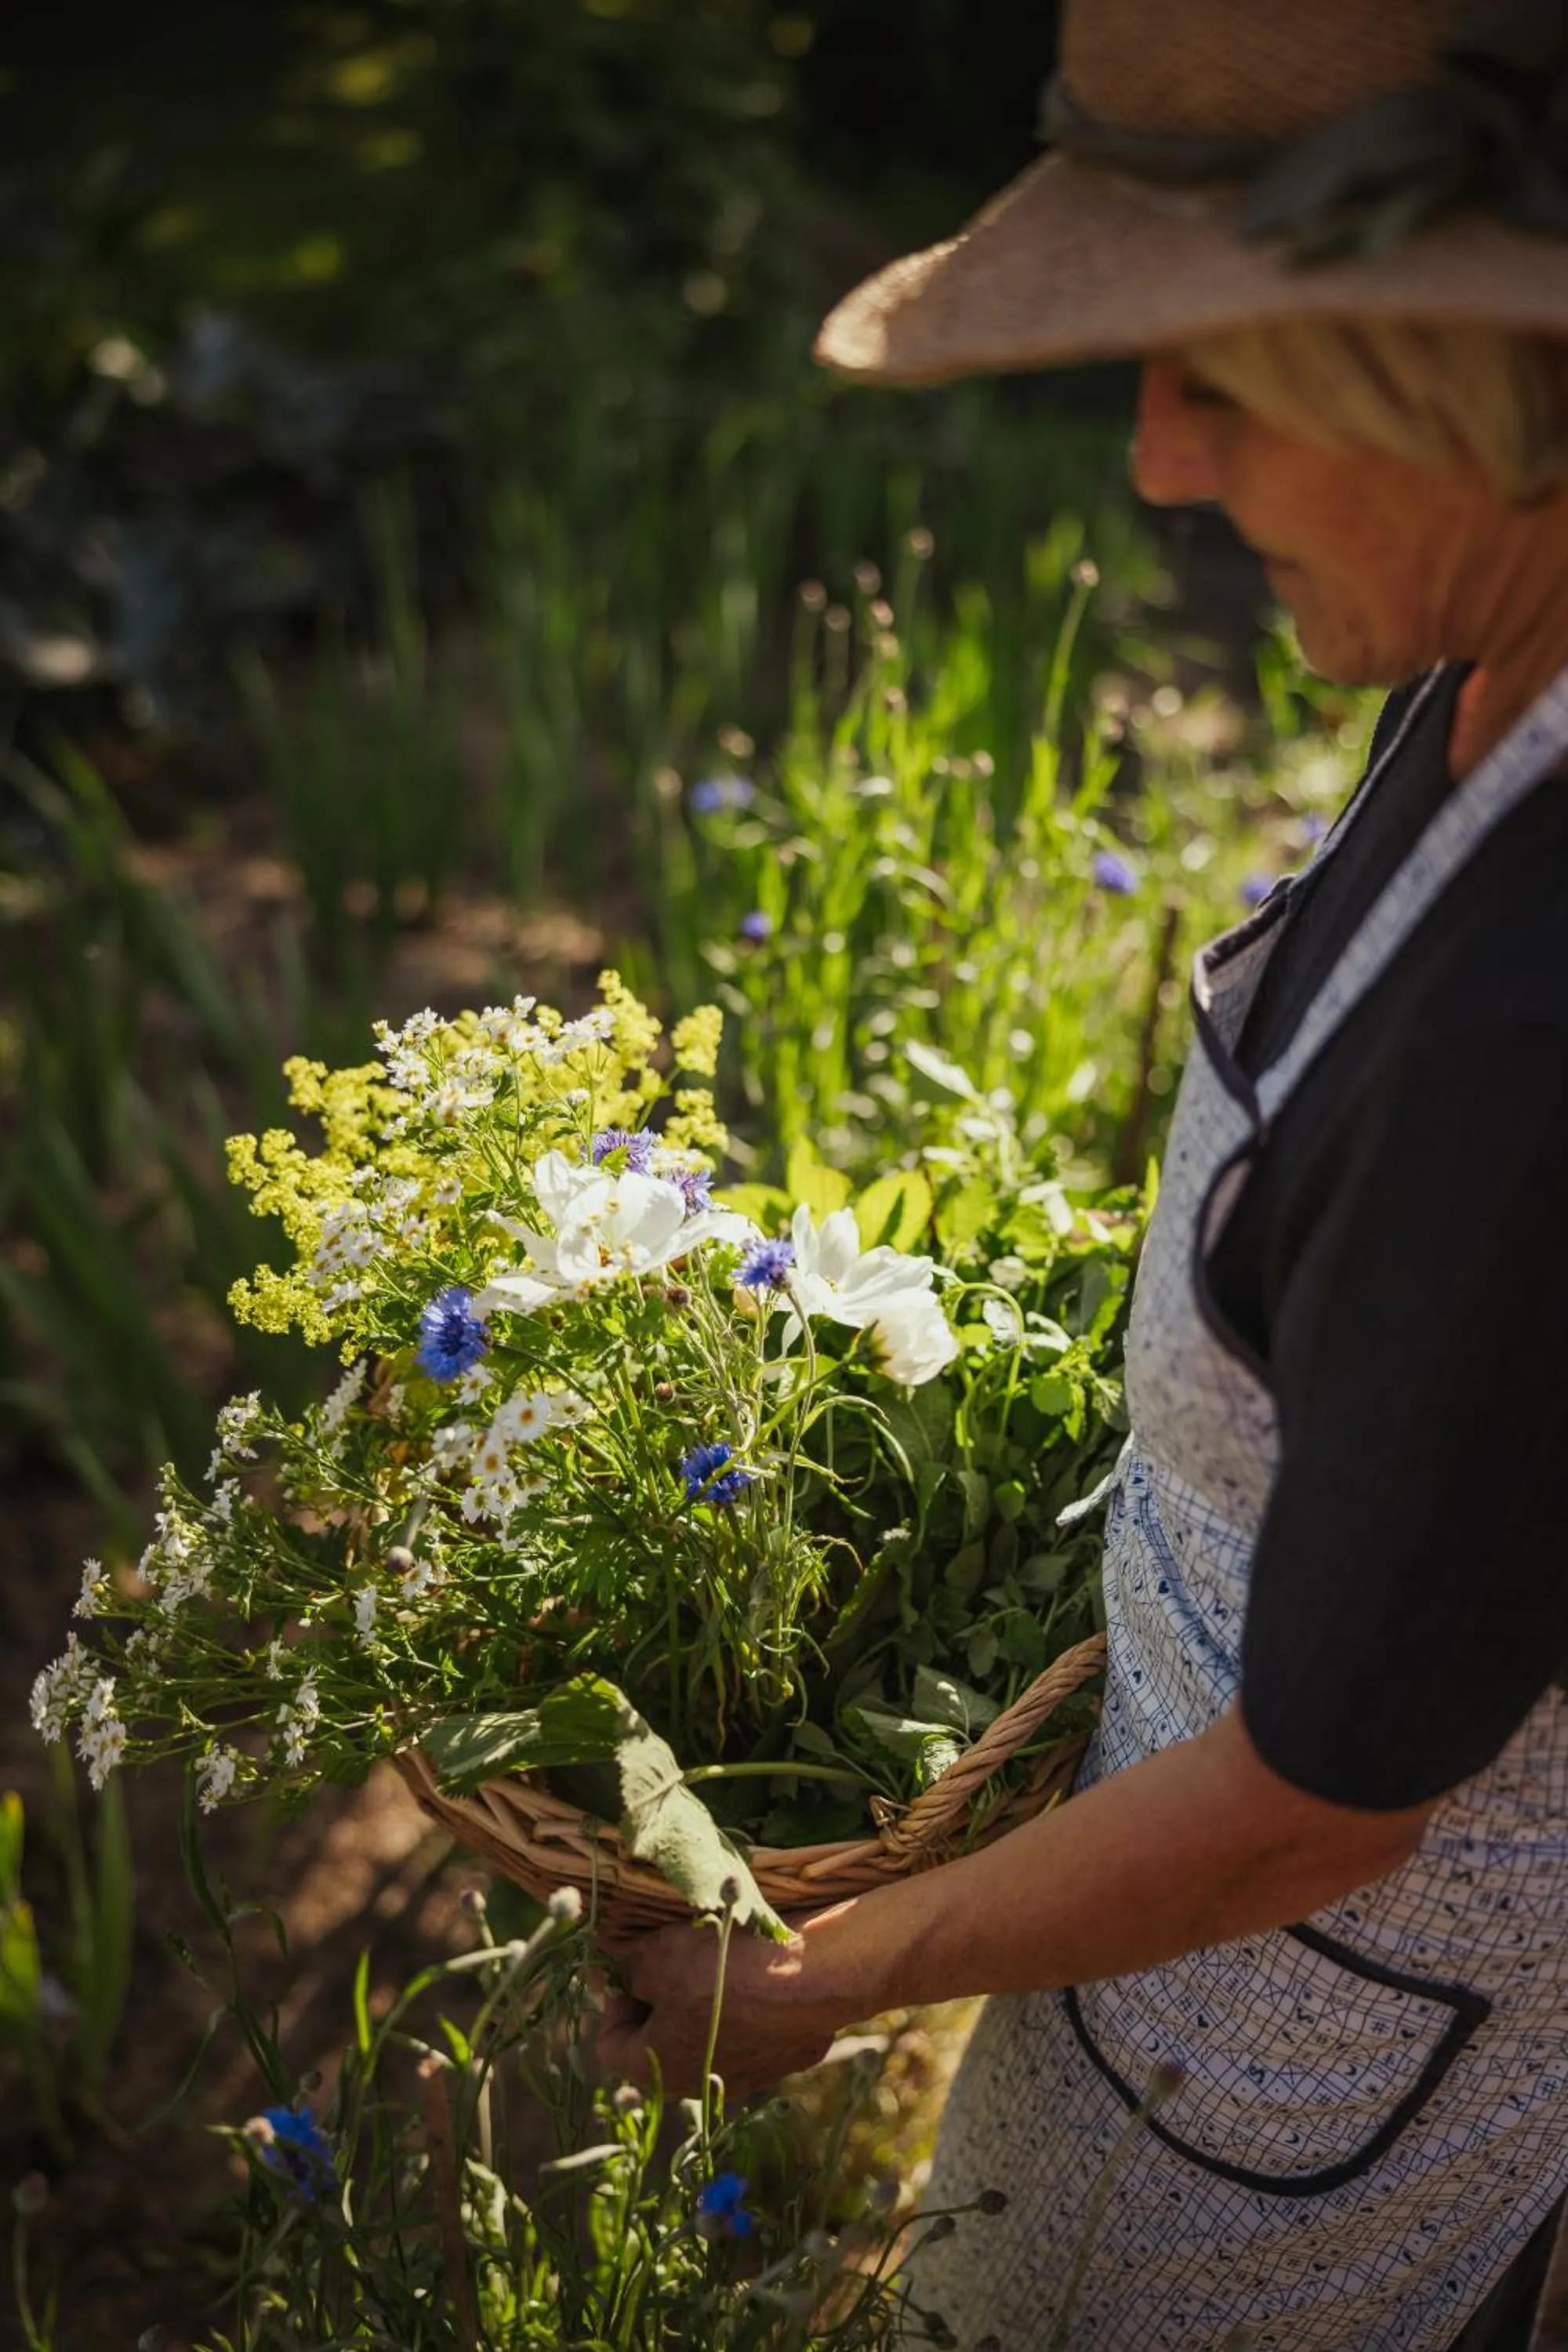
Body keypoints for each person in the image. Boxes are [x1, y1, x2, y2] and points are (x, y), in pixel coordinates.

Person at [598, 2, 1568, 2344]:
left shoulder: (1538, 1025)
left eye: (1216, 372)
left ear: (1473, 383)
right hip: (1223, 1987)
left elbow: (1332, 1796)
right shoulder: (1480, 683)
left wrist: (823, 1977)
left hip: (1327, 2058)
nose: (1149, 455)